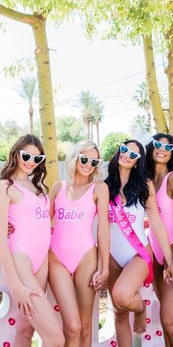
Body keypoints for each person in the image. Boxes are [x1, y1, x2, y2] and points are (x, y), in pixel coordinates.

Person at [105, 139, 173, 347]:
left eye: (134, 155)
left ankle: (140, 308)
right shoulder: (104, 186)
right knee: (118, 312)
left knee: (122, 295)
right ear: (119, 152)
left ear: (138, 162)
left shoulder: (144, 186)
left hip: (138, 254)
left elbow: (156, 223)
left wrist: (170, 259)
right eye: (125, 150)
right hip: (112, 255)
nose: (127, 155)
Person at [0, 134, 64, 347]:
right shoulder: (5, 187)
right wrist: (16, 286)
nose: (31, 162)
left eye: (37, 159)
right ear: (16, 153)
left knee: (25, 331)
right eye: (26, 155)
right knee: (55, 339)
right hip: (21, 262)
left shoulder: (39, 189)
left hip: (42, 262)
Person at [49, 140, 110, 347]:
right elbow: (41, 222)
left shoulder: (99, 188)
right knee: (71, 326)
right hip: (56, 259)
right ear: (75, 157)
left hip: (86, 258)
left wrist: (104, 267)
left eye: (94, 161)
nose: (88, 164)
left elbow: (103, 229)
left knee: (85, 327)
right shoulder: (58, 187)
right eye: (85, 159)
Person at [145, 133, 173, 347]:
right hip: (156, 250)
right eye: (157, 145)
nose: (161, 149)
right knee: (164, 316)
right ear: (150, 148)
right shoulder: (146, 180)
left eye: (167, 147)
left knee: (169, 319)